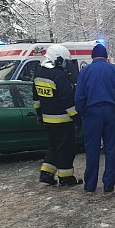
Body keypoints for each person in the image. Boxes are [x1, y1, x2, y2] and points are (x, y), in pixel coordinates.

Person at [75, 43, 115, 193]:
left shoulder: (85, 72)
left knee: (92, 149)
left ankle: (90, 184)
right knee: (111, 149)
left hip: (92, 114)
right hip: (111, 112)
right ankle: (109, 184)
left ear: (92, 57)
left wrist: (82, 112)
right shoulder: (114, 71)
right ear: (106, 57)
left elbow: (79, 96)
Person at [33, 44, 83, 187]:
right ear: (57, 59)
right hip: (63, 120)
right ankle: (66, 178)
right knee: (66, 149)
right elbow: (67, 101)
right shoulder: (59, 76)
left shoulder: (38, 73)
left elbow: (36, 99)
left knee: (53, 146)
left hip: (47, 119)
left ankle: (46, 174)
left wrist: (39, 115)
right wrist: (77, 118)